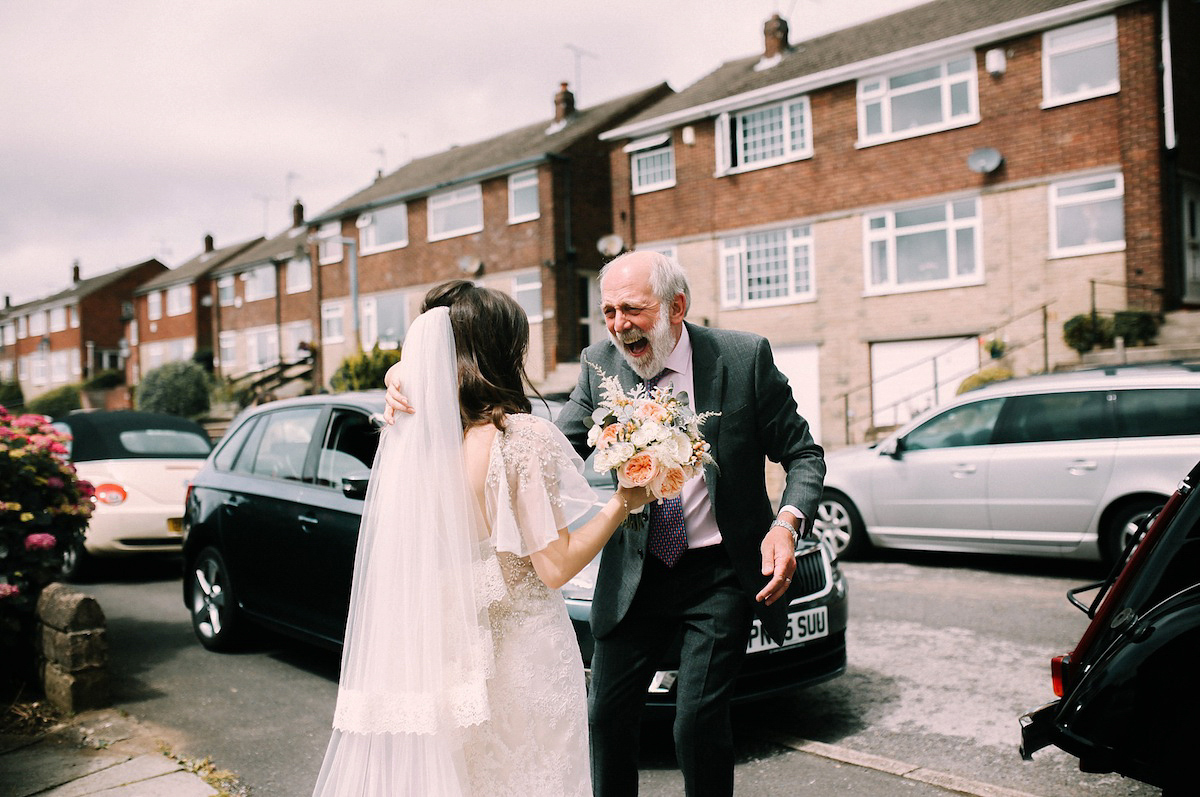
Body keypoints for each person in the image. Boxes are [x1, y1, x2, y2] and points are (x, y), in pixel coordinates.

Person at [386, 251, 825, 796]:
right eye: (609, 311)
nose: (619, 325)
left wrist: (785, 522)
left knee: (695, 722)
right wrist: (411, 375)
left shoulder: (743, 357)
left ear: (676, 306)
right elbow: (541, 443)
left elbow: (803, 453)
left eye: (633, 310)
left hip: (718, 576)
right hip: (633, 577)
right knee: (606, 720)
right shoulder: (598, 363)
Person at [316, 280, 650, 796]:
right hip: (529, 657)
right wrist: (621, 504)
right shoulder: (521, 437)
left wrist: (398, 373)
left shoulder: (415, 437)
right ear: (500, 350)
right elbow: (556, 567)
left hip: (456, 664)